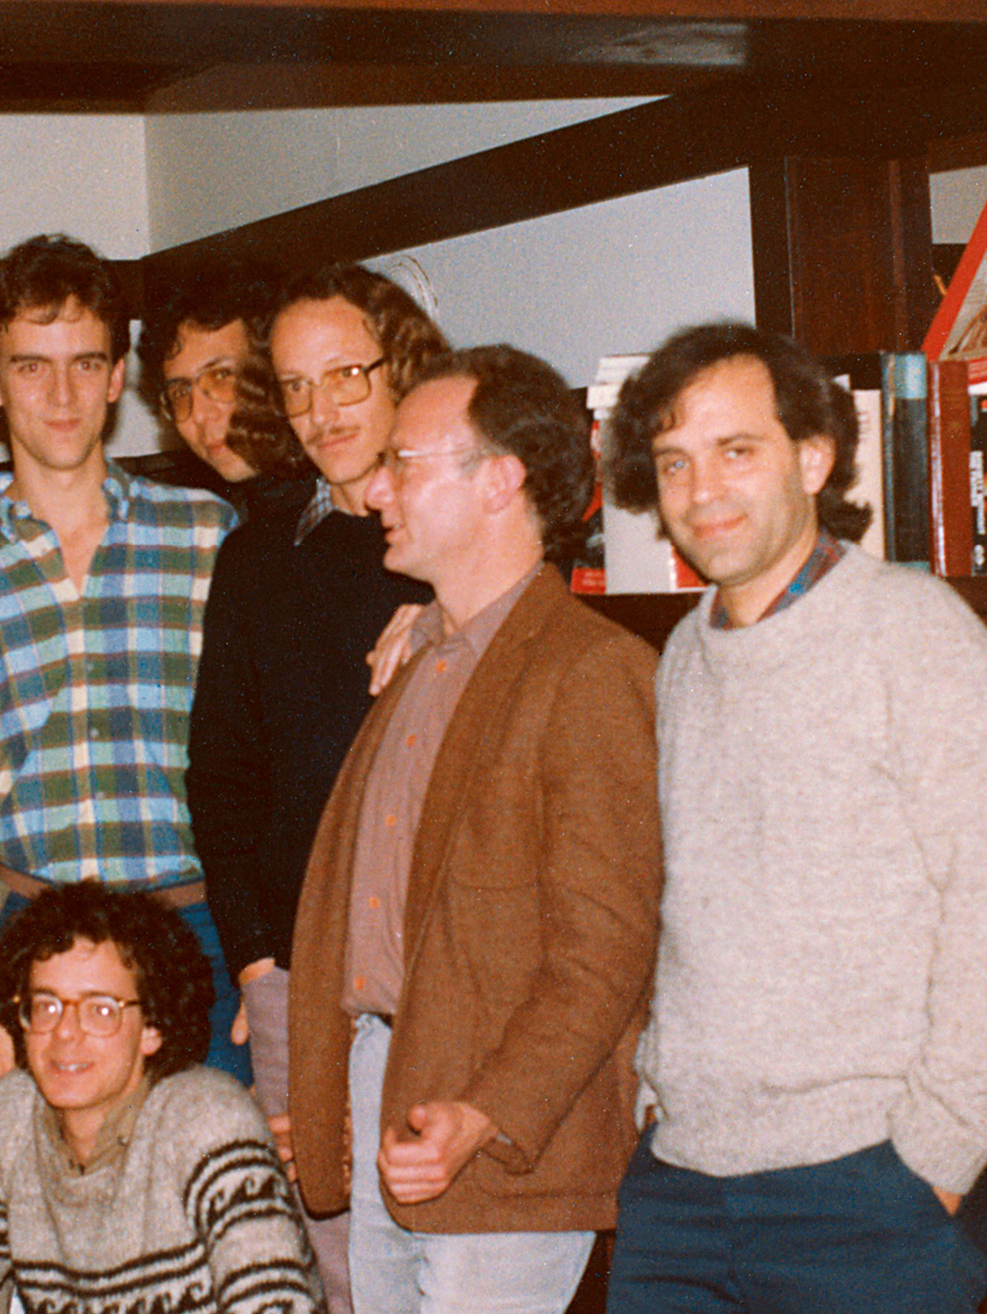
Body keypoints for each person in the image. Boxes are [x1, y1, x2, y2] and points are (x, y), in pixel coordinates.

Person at [598, 322, 987, 1313]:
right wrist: (656, 1096)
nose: (700, 490)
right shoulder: (683, 655)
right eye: (673, 461)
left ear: (810, 457)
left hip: (863, 1190)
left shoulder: (914, 633)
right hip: (678, 1186)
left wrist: (934, 1161)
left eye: (736, 451)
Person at [287, 345, 663, 1314]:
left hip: (492, 1129)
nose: (375, 489)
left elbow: (605, 952)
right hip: (389, 1083)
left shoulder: (589, 673)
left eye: (403, 462)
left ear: (500, 480)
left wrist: (487, 1114)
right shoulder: (420, 655)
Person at [0, 233, 248, 1098]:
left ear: (119, 375)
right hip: (36, 938)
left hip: (198, 927)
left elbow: (266, 768)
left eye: (86, 363)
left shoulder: (208, 534)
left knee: (216, 1202)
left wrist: (267, 962)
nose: (61, 395)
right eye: (30, 366)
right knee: (64, 1219)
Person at [186, 261, 445, 1314]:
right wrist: (252, 960)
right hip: (296, 968)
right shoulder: (255, 557)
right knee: (329, 1258)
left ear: (401, 369)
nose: (318, 408)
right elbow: (222, 778)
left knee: (448, 1252)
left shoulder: (458, 544)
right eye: (293, 386)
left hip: (435, 967)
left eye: (344, 375)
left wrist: (445, 614)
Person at [0, 883, 323, 1314]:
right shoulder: (11, 1115)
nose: (65, 1033)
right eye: (47, 1005)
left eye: (101, 1010)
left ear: (153, 1026)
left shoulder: (210, 1124)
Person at [135, 259, 311, 520]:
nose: (200, 415)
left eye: (220, 376)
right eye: (180, 392)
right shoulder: (238, 522)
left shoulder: (352, 500)